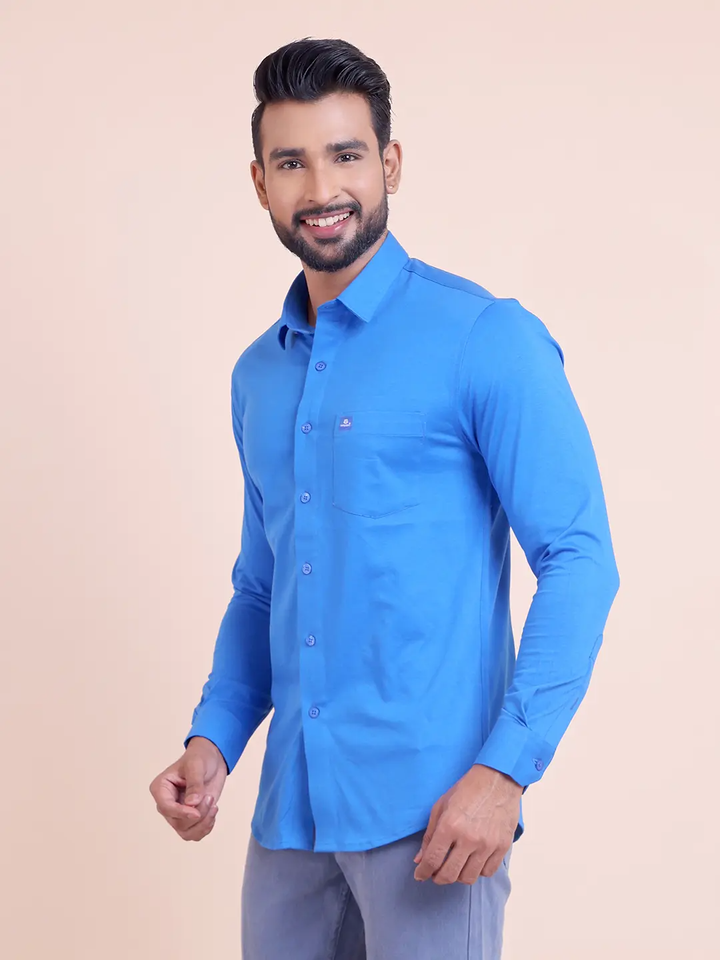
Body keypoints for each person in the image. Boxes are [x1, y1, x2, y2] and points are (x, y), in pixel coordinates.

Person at [149, 36, 620, 959]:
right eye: (293, 162)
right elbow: (263, 587)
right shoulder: (257, 376)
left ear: (390, 163)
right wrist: (214, 741)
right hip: (290, 819)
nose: (322, 187)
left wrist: (505, 773)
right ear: (260, 182)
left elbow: (579, 560)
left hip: (436, 821)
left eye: (347, 154)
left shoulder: (484, 337)